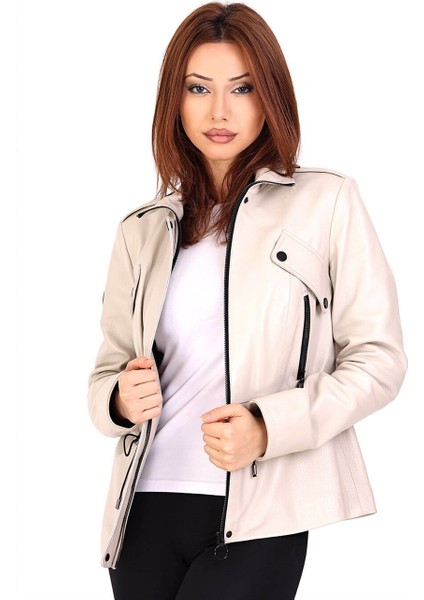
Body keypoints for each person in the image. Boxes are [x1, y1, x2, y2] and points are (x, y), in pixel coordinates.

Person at [88, 3, 407, 599]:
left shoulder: (327, 202)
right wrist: (119, 400)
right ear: (174, 100)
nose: (220, 111)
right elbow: (107, 372)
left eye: (243, 87)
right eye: (198, 88)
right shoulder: (142, 228)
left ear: (271, 97)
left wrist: (268, 427)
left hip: (261, 509)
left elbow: (379, 360)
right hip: (144, 505)